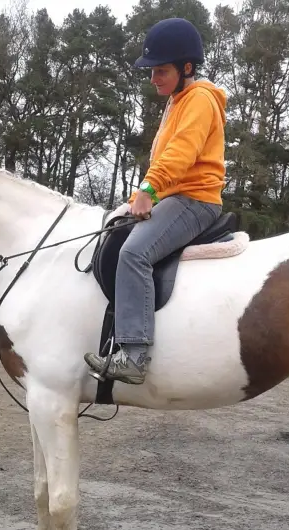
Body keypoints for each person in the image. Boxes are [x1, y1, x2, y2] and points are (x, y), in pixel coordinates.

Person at [84, 17, 228, 385]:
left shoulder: (198, 100)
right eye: (151, 71)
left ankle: (133, 356)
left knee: (135, 254)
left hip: (194, 199)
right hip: (176, 195)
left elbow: (180, 154)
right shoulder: (179, 100)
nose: (153, 79)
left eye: (160, 70)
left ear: (187, 68)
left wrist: (148, 190)